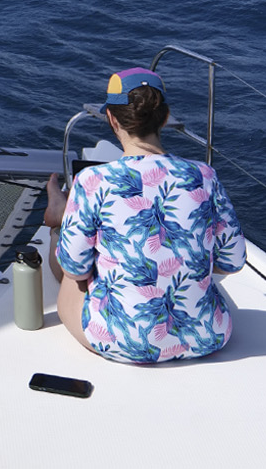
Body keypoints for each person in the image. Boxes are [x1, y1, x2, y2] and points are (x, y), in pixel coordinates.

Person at [45, 66, 246, 365]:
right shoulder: (205, 176)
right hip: (210, 336)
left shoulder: (93, 181)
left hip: (122, 343)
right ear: (164, 118)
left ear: (112, 120)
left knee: (69, 274)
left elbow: (74, 270)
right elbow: (232, 261)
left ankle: (58, 220)